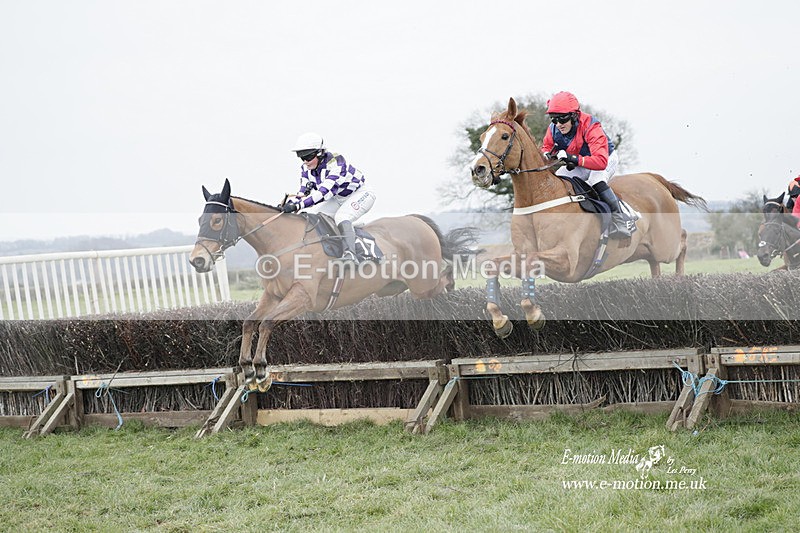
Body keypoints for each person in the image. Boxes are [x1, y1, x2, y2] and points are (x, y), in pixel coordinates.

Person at [540, 91, 633, 238]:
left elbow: (601, 162)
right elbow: (546, 146)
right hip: (581, 161)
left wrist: (574, 159)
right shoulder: (553, 129)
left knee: (596, 180)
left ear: (574, 115)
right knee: (557, 180)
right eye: (554, 119)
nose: (558, 124)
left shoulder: (591, 126)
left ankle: (620, 219)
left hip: (605, 158)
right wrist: (546, 154)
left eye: (562, 119)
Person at [282, 132, 376, 264]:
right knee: (313, 215)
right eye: (301, 157)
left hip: (360, 194)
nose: (305, 161)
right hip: (337, 198)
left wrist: (297, 206)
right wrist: (288, 205)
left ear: (320, 153)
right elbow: (303, 193)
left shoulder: (337, 162)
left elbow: (323, 193)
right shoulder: (305, 167)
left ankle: (351, 254)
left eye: (308, 156)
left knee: (342, 217)